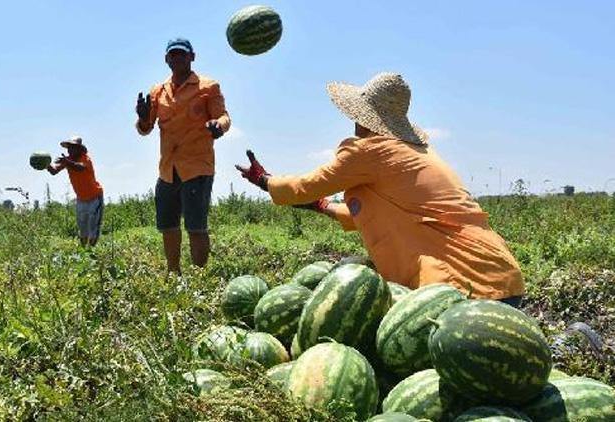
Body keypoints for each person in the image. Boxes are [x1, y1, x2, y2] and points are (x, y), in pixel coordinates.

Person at [236, 73, 524, 305]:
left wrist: (265, 180)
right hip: (502, 280)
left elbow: (305, 186)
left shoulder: (371, 151)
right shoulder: (414, 152)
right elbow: (372, 212)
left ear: (363, 116)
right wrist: (321, 206)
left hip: (462, 289)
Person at [135, 37, 231, 273]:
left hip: (197, 166)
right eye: (173, 54)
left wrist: (218, 126)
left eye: (182, 54)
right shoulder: (158, 91)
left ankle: (199, 276)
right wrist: (142, 117)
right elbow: (145, 129)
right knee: (168, 225)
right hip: (168, 169)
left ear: (192, 57)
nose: (177, 58)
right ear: (166, 59)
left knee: (196, 226)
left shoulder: (208, 87)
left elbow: (224, 117)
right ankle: (173, 272)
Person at [46, 136, 104, 247]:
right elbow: (54, 171)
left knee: (93, 229)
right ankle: (83, 254)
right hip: (81, 199)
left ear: (79, 149)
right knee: (83, 230)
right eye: (68, 148)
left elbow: (80, 168)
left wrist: (66, 162)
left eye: (73, 148)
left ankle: (91, 254)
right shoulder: (68, 160)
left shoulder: (85, 159)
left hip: (95, 197)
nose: (69, 150)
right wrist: (45, 164)